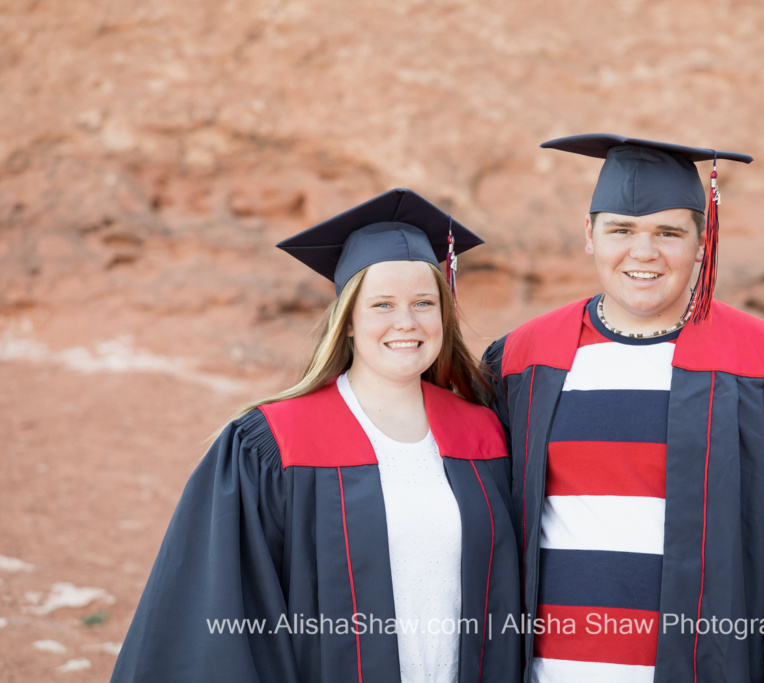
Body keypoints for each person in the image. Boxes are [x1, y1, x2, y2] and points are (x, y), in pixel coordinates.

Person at [482, 134, 764, 682]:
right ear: (589, 236)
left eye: (667, 233)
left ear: (703, 240)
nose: (642, 252)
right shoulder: (521, 362)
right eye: (621, 230)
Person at [113, 188, 520, 683]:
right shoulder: (274, 442)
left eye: (423, 303)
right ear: (347, 320)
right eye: (382, 305)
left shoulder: (484, 435)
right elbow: (216, 607)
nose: (406, 323)